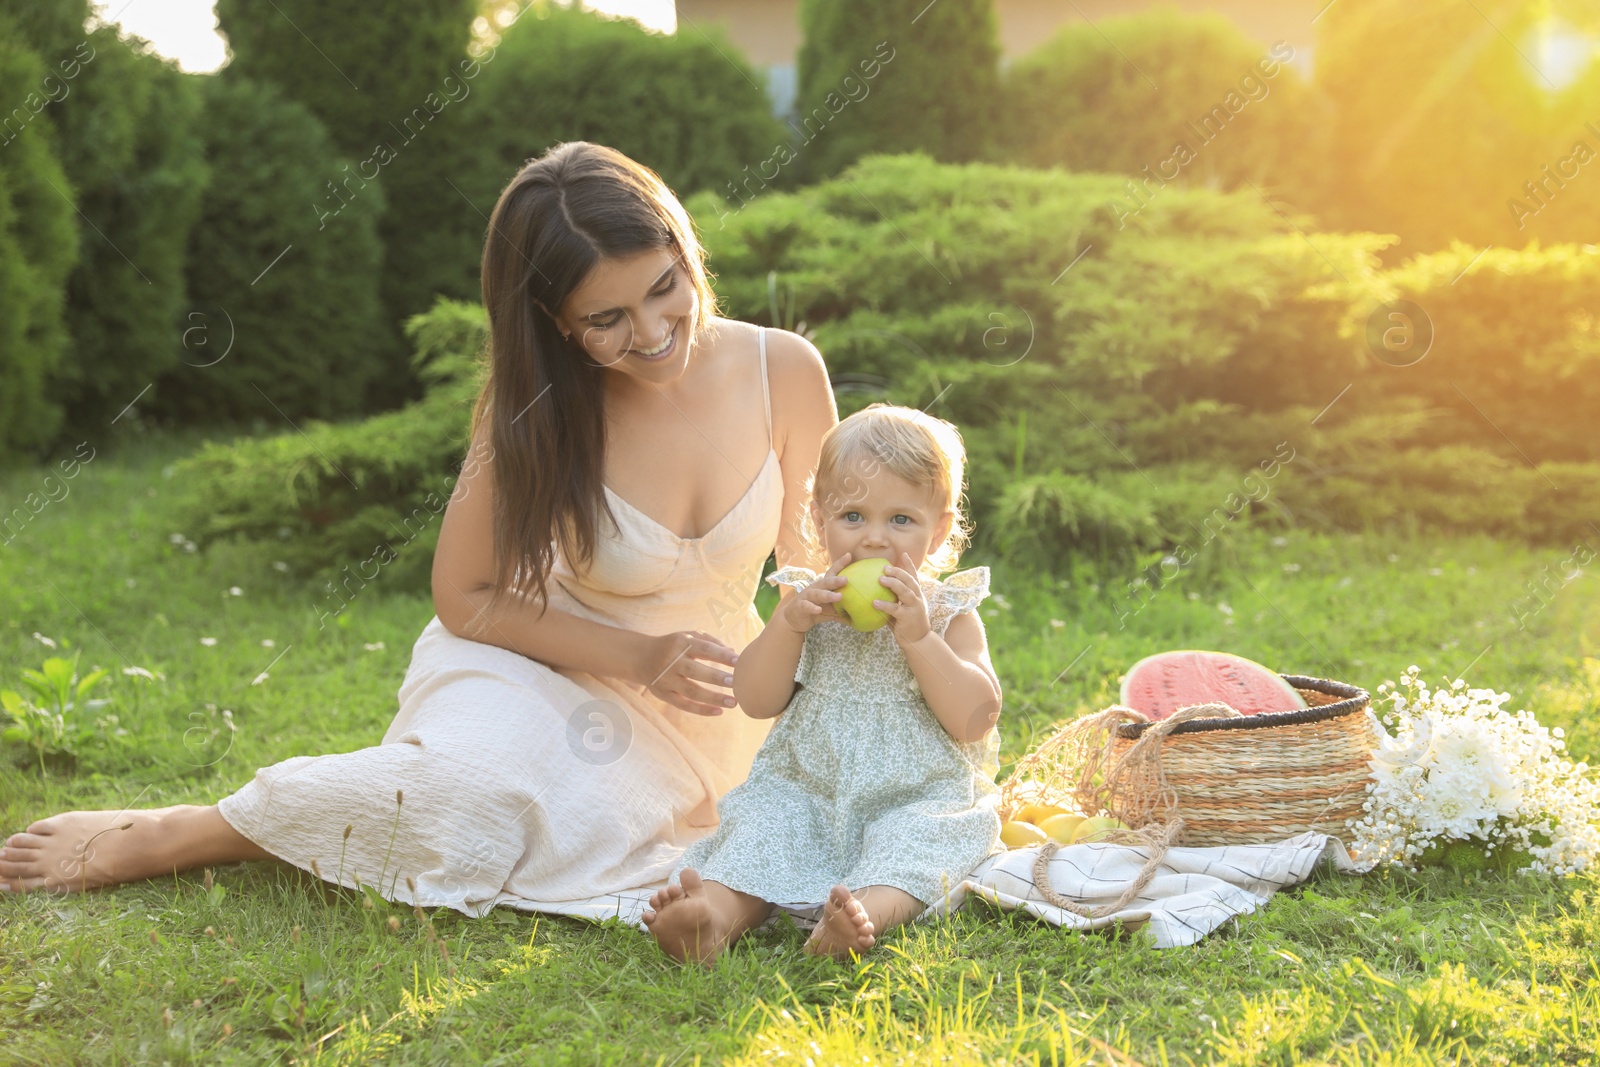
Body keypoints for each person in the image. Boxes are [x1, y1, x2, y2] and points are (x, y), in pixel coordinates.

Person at [0, 142, 839, 912]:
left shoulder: (783, 372)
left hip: (710, 704)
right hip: (535, 669)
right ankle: (190, 830)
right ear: (555, 322)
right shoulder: (532, 412)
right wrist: (640, 658)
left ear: (686, 251)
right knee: (464, 794)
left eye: (664, 287)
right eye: (605, 320)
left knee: (671, 839)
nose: (653, 334)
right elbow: (464, 596)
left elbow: (818, 579)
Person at [641, 404, 1004, 964]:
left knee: (920, 842)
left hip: (913, 795)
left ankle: (860, 918)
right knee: (764, 828)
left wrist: (918, 639)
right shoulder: (809, 606)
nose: (874, 541)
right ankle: (711, 917)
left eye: (901, 520)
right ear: (818, 519)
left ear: (940, 531)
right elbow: (757, 699)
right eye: (853, 517)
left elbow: (975, 716)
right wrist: (787, 626)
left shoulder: (947, 613)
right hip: (808, 790)